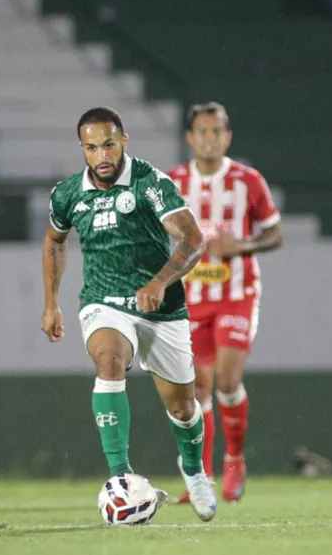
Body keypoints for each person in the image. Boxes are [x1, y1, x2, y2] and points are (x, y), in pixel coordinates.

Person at [40, 106, 217, 522]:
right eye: (91, 147)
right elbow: (54, 241)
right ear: (81, 149)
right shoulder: (67, 194)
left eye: (108, 144)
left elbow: (193, 240)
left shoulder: (150, 183)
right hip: (104, 302)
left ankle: (193, 471)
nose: (101, 155)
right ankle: (121, 476)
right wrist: (51, 303)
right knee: (109, 358)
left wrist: (159, 283)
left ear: (124, 141)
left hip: (162, 308)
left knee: (183, 408)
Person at [167, 102, 285, 503]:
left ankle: (235, 462)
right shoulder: (174, 182)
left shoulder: (247, 180)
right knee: (199, 389)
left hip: (237, 293)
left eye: (217, 131)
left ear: (227, 137)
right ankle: (203, 477)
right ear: (190, 138)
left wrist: (243, 246)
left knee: (228, 380)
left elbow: (275, 234)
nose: (209, 138)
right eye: (202, 131)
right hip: (192, 298)